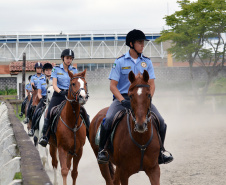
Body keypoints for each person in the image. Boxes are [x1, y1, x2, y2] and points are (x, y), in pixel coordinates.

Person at [97, 29, 174, 165]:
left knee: (161, 121)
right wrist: (121, 100)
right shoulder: (119, 62)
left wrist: (147, 99)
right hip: (123, 99)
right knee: (108, 119)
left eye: (143, 42)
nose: (142, 45)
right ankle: (102, 150)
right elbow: (113, 86)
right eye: (140, 42)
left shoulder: (147, 62)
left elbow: (152, 84)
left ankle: (161, 152)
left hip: (143, 99)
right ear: (131, 44)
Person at [39, 49, 90, 147]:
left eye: (70, 58)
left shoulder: (74, 70)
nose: (69, 60)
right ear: (63, 58)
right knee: (49, 113)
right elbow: (54, 84)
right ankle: (45, 136)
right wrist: (61, 92)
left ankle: (89, 135)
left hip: (72, 97)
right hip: (59, 95)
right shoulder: (56, 69)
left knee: (85, 114)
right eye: (67, 58)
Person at [28, 63, 53, 137]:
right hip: (44, 98)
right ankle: (32, 129)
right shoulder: (41, 81)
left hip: (53, 98)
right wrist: (41, 99)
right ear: (44, 71)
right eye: (46, 70)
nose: (48, 71)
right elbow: (39, 93)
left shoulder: (55, 79)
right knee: (37, 111)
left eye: (50, 70)